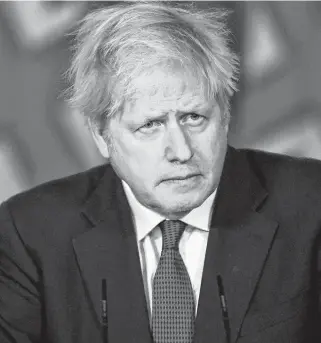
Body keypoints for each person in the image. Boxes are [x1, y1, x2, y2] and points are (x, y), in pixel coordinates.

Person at [0, 2, 320, 343]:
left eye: (194, 118)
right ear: (101, 134)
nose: (181, 152)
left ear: (225, 115)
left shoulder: (311, 204)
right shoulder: (30, 236)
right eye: (150, 126)